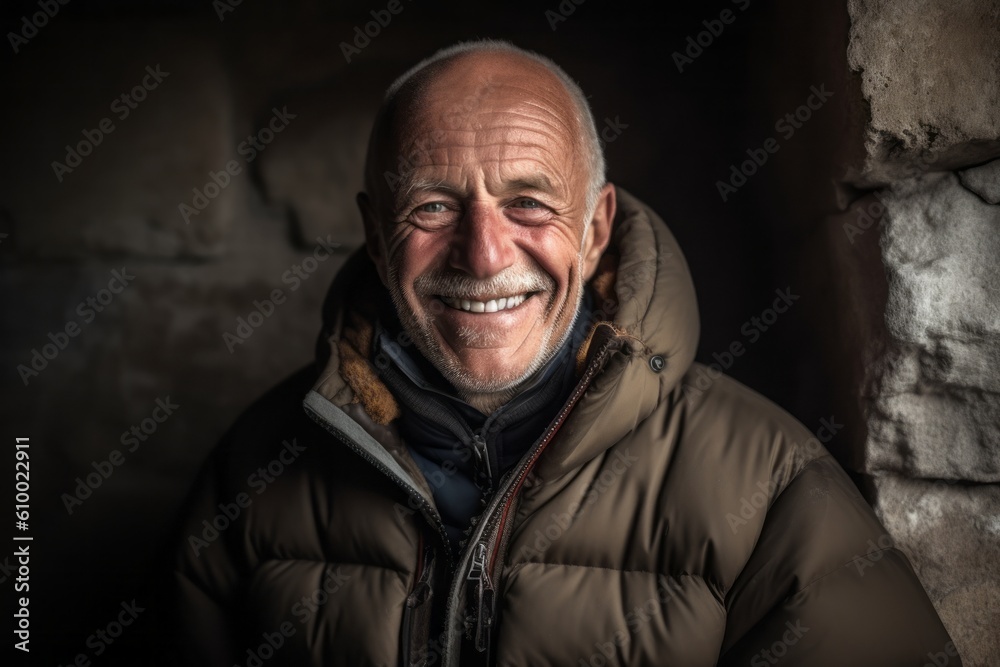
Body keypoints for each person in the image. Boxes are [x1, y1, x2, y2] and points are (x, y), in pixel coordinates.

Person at [163, 40, 960, 666]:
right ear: (377, 235)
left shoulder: (772, 483)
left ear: (595, 227)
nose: (482, 256)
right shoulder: (253, 470)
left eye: (529, 203)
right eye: (434, 206)